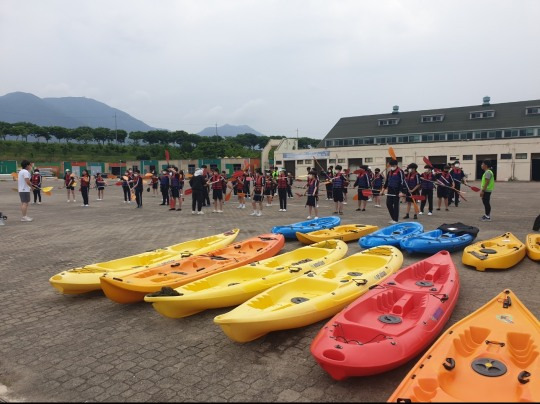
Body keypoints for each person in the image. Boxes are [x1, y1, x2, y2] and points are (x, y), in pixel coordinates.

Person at [381, 159, 405, 224]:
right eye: (391, 165)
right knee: (388, 204)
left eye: (393, 165)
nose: (392, 166)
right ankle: (393, 218)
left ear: (396, 165)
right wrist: (383, 190)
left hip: (397, 190)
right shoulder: (389, 172)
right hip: (390, 190)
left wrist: (401, 191)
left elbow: (402, 182)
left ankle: (395, 219)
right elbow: (386, 182)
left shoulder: (400, 171)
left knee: (396, 205)